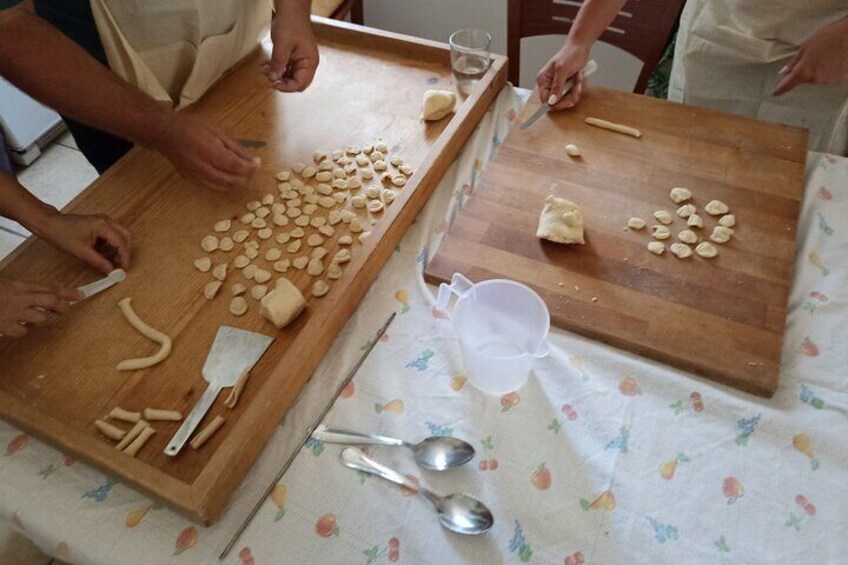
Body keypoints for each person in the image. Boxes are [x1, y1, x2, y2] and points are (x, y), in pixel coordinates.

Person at [0, 0, 319, 188]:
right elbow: (9, 28)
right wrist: (159, 128)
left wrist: (294, 13)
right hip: (114, 89)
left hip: (241, 46)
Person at [535, 0, 848, 155]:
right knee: (690, 158)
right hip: (716, 35)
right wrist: (578, 42)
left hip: (827, 48)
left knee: (795, 175)